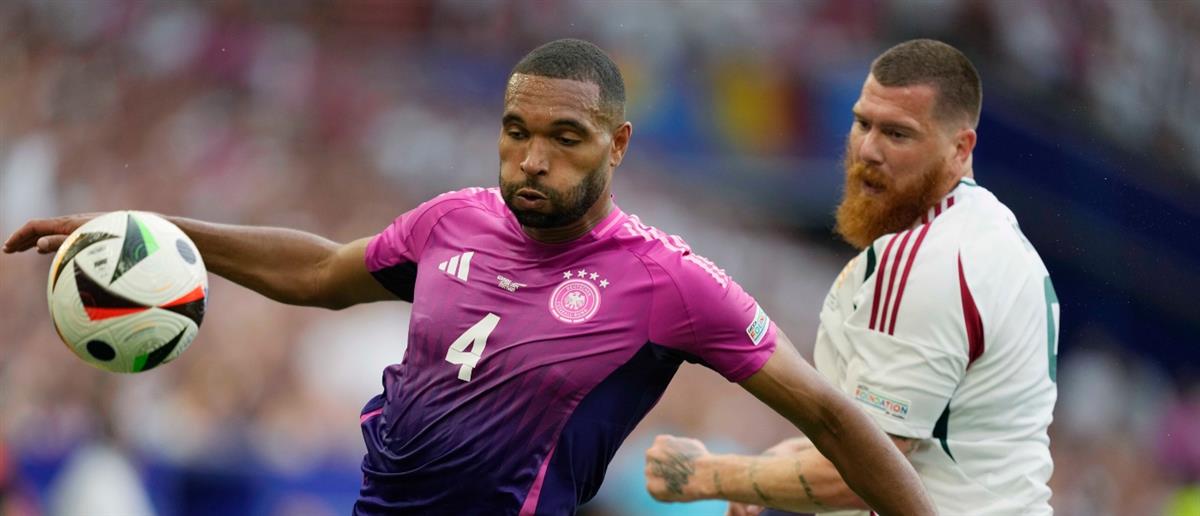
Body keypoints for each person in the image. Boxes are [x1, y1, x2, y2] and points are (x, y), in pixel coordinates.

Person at [4, 39, 933, 516]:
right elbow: (322, 270)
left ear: (617, 145)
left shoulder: (669, 282)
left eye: (565, 138)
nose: (533, 158)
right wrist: (162, 233)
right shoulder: (452, 220)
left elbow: (830, 414)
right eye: (516, 131)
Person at [645, 39, 1059, 515]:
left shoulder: (924, 261)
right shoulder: (998, 236)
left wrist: (705, 474)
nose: (868, 149)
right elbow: (920, 435)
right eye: (863, 123)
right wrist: (764, 473)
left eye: (897, 134)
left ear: (960, 147)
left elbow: (870, 470)